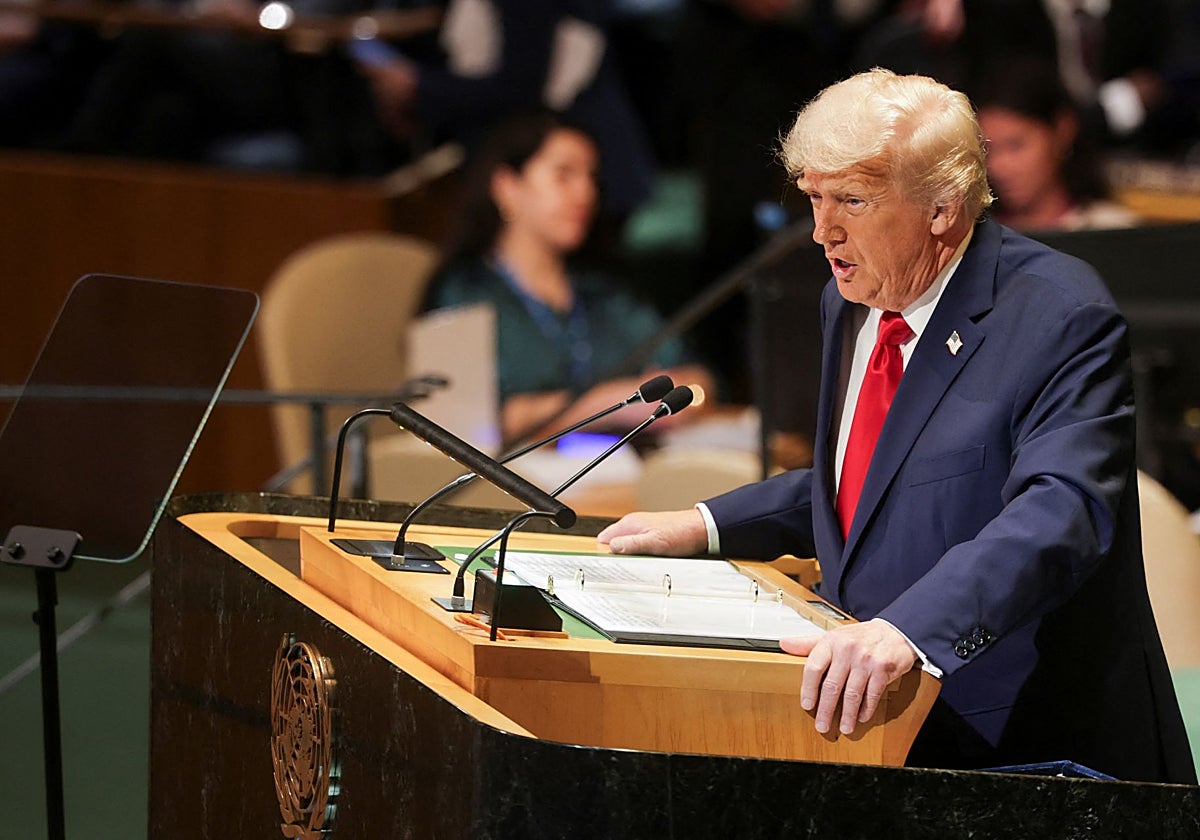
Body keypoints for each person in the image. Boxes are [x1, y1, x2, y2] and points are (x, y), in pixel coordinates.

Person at [597, 68, 1195, 783]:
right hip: (873, 729)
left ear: (942, 208)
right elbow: (879, 478)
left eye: (851, 199)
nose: (823, 232)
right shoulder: (848, 298)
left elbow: (1061, 512)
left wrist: (913, 631)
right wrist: (707, 523)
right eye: (815, 199)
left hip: (1028, 751)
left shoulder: (1058, 315)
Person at [425, 114, 713, 444]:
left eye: (591, 177)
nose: (585, 193)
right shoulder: (464, 293)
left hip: (626, 474)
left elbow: (698, 381)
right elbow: (473, 423)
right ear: (507, 187)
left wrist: (687, 391)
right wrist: (614, 404)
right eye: (564, 175)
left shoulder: (603, 293)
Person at [976, 59, 1138, 231]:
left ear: (1063, 130)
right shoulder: (971, 238)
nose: (999, 167)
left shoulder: (1112, 230)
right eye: (987, 150)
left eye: (1015, 145)